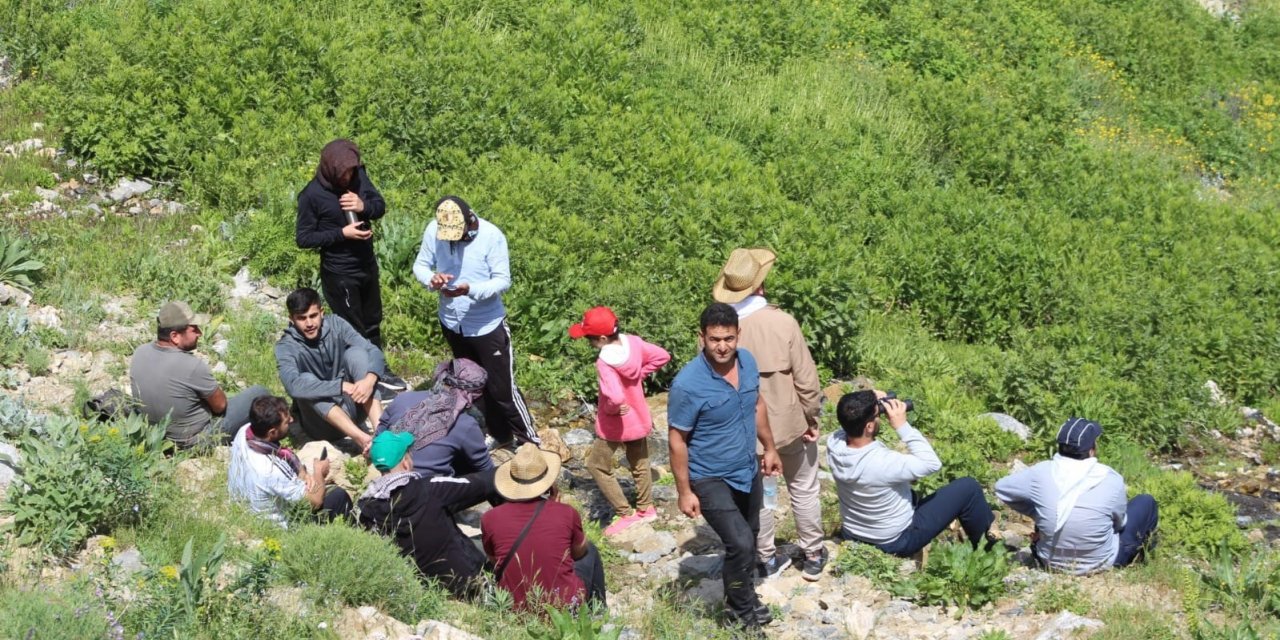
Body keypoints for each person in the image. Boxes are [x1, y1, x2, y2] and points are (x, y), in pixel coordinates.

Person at [711, 247, 826, 582]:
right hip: (789, 424)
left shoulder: (717, 330)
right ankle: (813, 554)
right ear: (760, 285)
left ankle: (765, 559)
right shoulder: (782, 322)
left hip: (743, 431)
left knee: (757, 495)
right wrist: (811, 417)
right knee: (803, 487)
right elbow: (806, 379)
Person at [668, 302, 783, 633]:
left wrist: (770, 448)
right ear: (701, 337)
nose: (722, 346)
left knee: (752, 536)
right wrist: (684, 491)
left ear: (738, 335)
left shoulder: (747, 362)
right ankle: (740, 616)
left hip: (746, 468)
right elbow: (677, 440)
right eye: (714, 339)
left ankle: (744, 594)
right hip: (709, 476)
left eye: (728, 339)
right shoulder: (688, 384)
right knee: (741, 543)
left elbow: (757, 405)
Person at [412, 195, 538, 449]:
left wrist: (470, 289)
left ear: (470, 221)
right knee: (473, 383)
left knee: (502, 390)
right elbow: (421, 265)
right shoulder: (434, 229)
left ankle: (530, 441)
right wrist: (432, 279)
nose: (452, 241)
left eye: (457, 235)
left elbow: (502, 280)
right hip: (452, 322)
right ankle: (500, 434)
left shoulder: (491, 236)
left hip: (486, 325)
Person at [828, 390, 996, 558]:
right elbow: (932, 463)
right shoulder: (884, 462)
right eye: (877, 416)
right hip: (895, 541)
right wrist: (902, 426)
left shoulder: (834, 444)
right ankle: (989, 552)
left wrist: (870, 397)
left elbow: (850, 416)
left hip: (853, 533)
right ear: (869, 427)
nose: (880, 417)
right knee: (969, 488)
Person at [995, 417, 1159, 574]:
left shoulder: (1042, 471)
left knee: (1048, 505)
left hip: (1048, 560)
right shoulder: (1109, 477)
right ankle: (1144, 560)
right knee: (1146, 502)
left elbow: (1002, 488)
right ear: (1091, 450)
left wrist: (1037, 513)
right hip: (1103, 562)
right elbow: (1119, 523)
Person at [357, 430, 500, 598]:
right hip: (469, 584)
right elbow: (480, 484)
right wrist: (516, 468)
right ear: (405, 462)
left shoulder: (366, 508)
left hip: (421, 594)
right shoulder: (430, 488)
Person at [568, 306, 670, 536]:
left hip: (615, 423)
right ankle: (646, 509)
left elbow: (614, 397)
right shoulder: (633, 343)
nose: (589, 343)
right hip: (638, 416)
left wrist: (611, 408)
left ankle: (625, 513)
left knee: (596, 465)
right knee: (639, 463)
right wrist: (640, 374)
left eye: (590, 339)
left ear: (603, 338)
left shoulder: (604, 363)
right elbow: (662, 356)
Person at [481, 443, 606, 612]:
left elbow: (494, 560)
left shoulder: (489, 518)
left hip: (513, 608)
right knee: (590, 550)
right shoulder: (566, 513)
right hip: (563, 606)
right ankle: (597, 611)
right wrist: (555, 508)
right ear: (548, 483)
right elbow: (579, 553)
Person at [129, 300, 269, 448]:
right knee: (259, 393)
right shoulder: (191, 365)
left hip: (155, 435)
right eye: (194, 329)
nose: (199, 333)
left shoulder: (140, 352)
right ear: (175, 336)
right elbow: (220, 407)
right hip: (193, 441)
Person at [274, 287, 387, 453]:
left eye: (313, 316)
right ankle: (362, 439)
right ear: (292, 319)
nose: (309, 323)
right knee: (306, 381)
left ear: (322, 312)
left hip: (354, 405)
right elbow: (293, 386)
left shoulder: (336, 324)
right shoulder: (286, 346)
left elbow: (373, 351)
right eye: (302, 318)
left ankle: (382, 433)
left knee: (357, 354)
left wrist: (370, 380)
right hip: (322, 424)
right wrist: (340, 386)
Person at [227, 395, 352, 526]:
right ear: (272, 432)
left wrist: (304, 475)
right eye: (286, 422)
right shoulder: (270, 470)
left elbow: (292, 468)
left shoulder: (245, 432)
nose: (292, 420)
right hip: (273, 526)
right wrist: (319, 473)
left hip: (246, 507)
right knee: (338, 496)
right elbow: (315, 502)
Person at [374, 358, 494, 478]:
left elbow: (379, 433)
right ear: (473, 394)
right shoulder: (466, 424)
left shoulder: (402, 399)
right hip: (430, 486)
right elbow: (485, 468)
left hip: (389, 478)